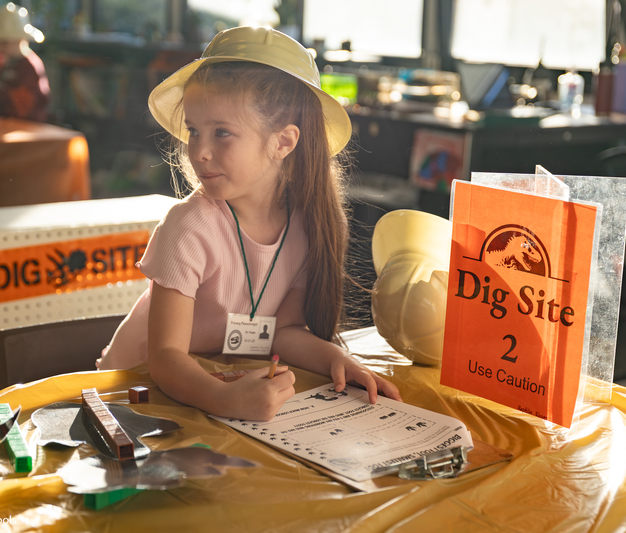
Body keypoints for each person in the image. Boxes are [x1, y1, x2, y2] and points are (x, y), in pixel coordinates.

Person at [96, 26, 400, 420]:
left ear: (283, 143)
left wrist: (338, 359)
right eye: (194, 130)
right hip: (134, 397)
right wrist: (225, 399)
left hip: (215, 391)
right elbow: (166, 359)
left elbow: (281, 333)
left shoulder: (308, 228)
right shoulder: (188, 225)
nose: (199, 151)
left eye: (222, 132)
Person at [0, 6, 50, 121]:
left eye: (5, 42)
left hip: (27, 127)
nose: (0, 47)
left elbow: (26, 103)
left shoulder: (30, 65)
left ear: (20, 39)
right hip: (2, 124)